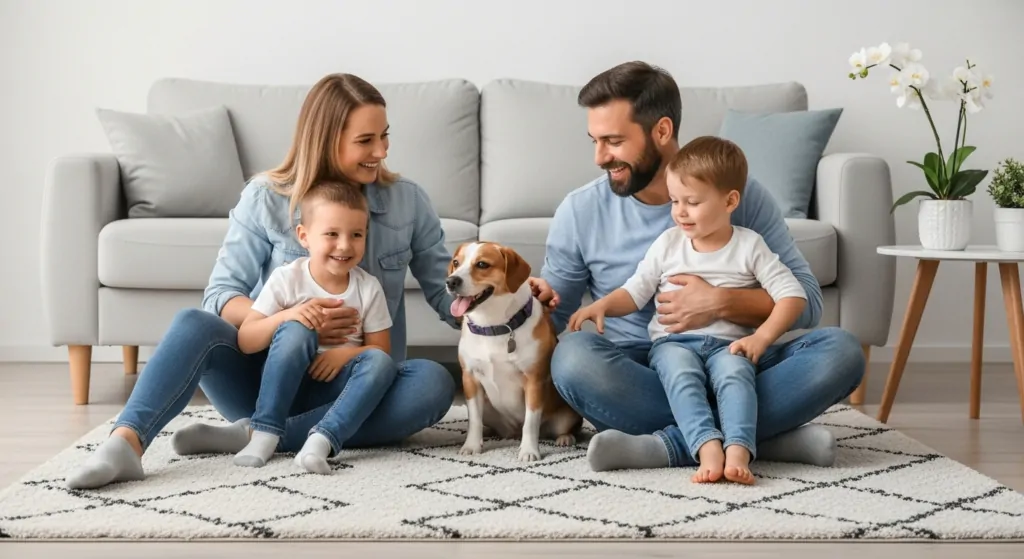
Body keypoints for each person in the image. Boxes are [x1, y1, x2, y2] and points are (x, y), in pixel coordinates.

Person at [65, 73, 464, 489]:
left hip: (358, 387)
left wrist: (514, 309)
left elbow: (446, 291)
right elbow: (220, 296)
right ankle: (125, 444)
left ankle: (256, 434)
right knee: (193, 323)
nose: (381, 151)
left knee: (433, 383)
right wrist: (293, 318)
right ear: (328, 139)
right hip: (265, 380)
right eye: (366, 141)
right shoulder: (264, 197)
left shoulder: (408, 201)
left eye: (385, 137)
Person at [540, 61, 865, 474]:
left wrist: (720, 303)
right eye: (595, 141)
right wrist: (530, 300)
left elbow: (808, 302)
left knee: (840, 351)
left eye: (614, 141)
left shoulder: (738, 196)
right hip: (646, 369)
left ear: (661, 131)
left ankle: (670, 446)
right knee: (572, 359)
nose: (600, 157)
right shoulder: (581, 209)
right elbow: (559, 319)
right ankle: (755, 439)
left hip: (736, 355)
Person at [567, 136, 808, 485]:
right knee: (679, 376)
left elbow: (793, 295)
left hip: (731, 346)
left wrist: (761, 338)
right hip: (673, 344)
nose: (679, 211)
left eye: (692, 202)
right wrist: (603, 305)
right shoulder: (668, 243)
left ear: (730, 201)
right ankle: (709, 445)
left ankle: (736, 449)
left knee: (737, 376)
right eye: (675, 201)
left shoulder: (749, 245)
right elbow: (636, 292)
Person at [233, 182, 398, 474]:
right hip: (285, 386)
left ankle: (321, 440)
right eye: (332, 234)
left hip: (340, 392)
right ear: (304, 236)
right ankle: (265, 431)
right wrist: (289, 315)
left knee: (426, 377)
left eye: (356, 235)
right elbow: (246, 340)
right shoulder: (287, 279)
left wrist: (342, 356)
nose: (345, 245)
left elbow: (381, 352)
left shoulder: (368, 287)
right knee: (298, 328)